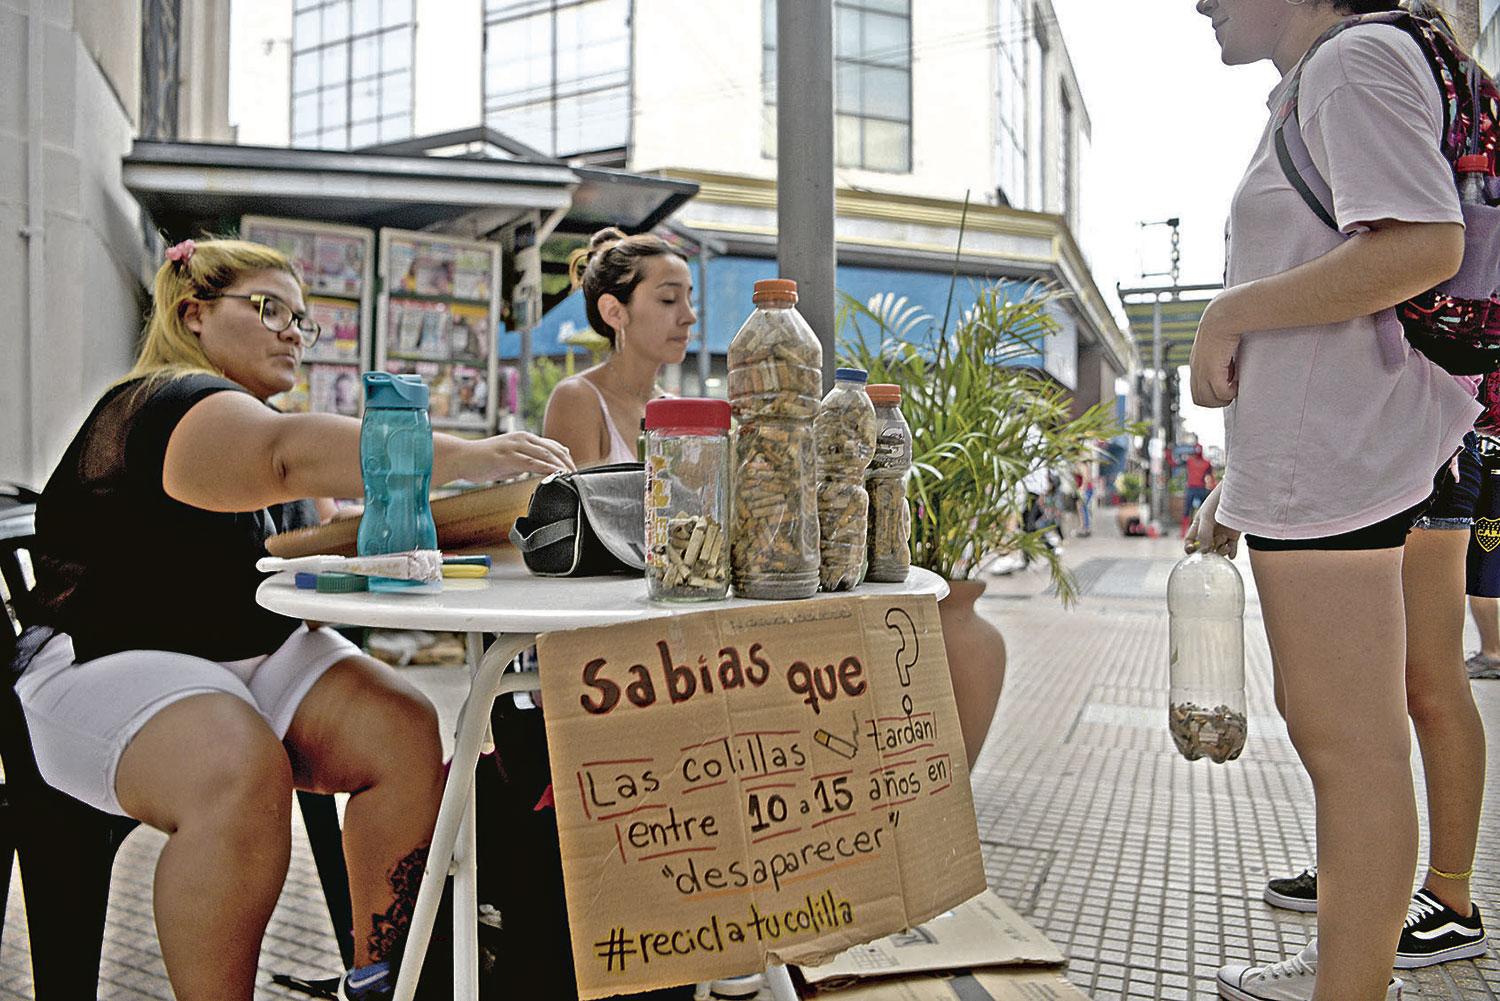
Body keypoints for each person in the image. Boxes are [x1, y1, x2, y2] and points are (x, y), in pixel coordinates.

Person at [13, 238, 574, 1001]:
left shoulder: (243, 415)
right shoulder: (170, 399)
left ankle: (384, 981)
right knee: (239, 765)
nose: (291, 331)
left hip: (239, 653)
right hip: (102, 660)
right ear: (194, 314)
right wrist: (467, 455)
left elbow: (281, 535)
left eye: (302, 320)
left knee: (404, 730)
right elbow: (279, 457)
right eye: (268, 308)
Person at [1186, 0, 1485, 997]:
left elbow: (1419, 244)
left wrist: (1228, 312)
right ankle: (1349, 964)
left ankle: (1350, 985)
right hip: (1334, 450)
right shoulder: (1339, 71)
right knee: (1348, 735)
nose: (1198, 1)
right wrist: (1242, 476)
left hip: (1340, 456)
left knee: (1346, 742)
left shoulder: (1353, 63)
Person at [544, 227, 696, 467]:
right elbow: (579, 504)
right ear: (614, 312)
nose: (689, 316)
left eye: (689, 299)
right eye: (668, 298)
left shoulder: (675, 409)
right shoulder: (578, 399)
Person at [1182, 443, 1214, 535]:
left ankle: (1195, 531)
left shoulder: (1191, 461)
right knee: (1192, 510)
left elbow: (1210, 476)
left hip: (1198, 488)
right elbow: (1210, 476)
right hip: (1195, 488)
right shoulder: (1192, 461)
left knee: (1195, 510)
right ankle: (1186, 531)